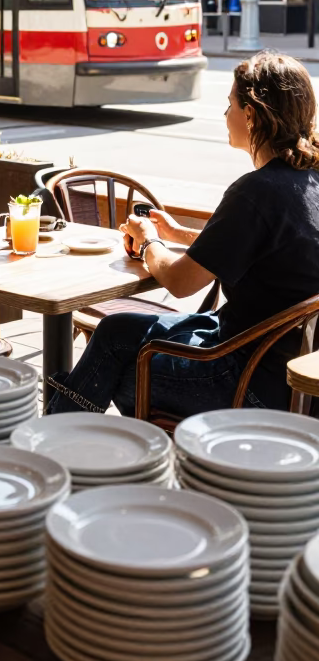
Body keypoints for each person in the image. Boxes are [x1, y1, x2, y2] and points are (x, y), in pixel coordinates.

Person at [48, 51, 319, 418]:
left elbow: (178, 281)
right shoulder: (307, 182)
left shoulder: (256, 192)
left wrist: (148, 242)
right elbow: (266, 247)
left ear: (251, 115)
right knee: (114, 331)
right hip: (290, 379)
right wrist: (179, 233)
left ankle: (57, 433)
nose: (225, 115)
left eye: (229, 105)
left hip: (245, 382)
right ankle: (65, 429)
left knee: (117, 368)